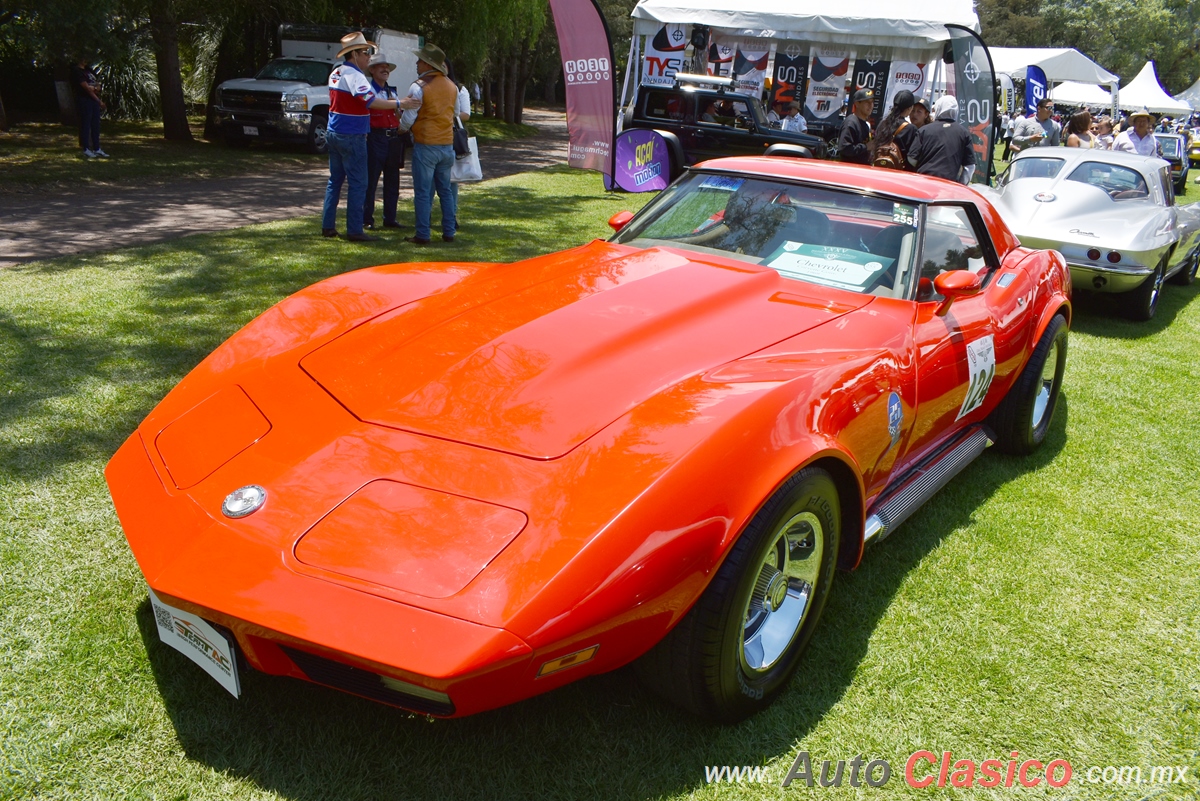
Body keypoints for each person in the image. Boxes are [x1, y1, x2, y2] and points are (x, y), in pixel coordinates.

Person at [321, 32, 413, 241]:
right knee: (359, 183)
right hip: (352, 134)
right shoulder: (355, 76)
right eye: (364, 53)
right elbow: (370, 101)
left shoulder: (336, 72)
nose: (367, 57)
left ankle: (328, 226)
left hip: (334, 131)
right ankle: (354, 230)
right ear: (353, 54)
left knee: (335, 180)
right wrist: (400, 103)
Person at [398, 43, 459, 245]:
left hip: (426, 144)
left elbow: (409, 116)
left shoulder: (419, 86)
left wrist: (401, 129)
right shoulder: (452, 86)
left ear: (427, 64)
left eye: (420, 60)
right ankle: (449, 231)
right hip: (446, 145)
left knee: (423, 193)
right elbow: (456, 113)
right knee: (446, 192)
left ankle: (423, 234)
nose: (417, 63)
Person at [362, 53, 407, 230]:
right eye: (381, 66)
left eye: (387, 67)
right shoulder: (368, 90)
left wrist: (400, 113)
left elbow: (398, 113)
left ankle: (390, 218)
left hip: (393, 138)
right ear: (372, 70)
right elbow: (370, 105)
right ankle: (367, 219)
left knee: (393, 180)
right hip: (375, 137)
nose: (385, 69)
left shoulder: (392, 91)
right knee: (371, 180)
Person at [911, 94, 975, 184]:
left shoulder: (924, 130)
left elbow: (912, 158)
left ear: (938, 108)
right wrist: (961, 184)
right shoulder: (964, 133)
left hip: (924, 181)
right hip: (948, 184)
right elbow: (970, 166)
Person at [71, 58, 108, 159]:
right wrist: (98, 100)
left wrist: (95, 88)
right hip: (84, 100)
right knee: (86, 124)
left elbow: (97, 85)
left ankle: (97, 148)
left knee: (95, 124)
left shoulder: (89, 70)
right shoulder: (77, 71)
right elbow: (86, 88)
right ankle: (86, 148)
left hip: (93, 100)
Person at [872, 90, 918, 169]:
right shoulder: (911, 128)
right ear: (910, 108)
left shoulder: (882, 123)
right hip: (898, 170)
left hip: (879, 166)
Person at [838, 88, 874, 164]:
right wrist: (866, 147)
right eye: (867, 102)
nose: (871, 105)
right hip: (850, 170)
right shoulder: (851, 123)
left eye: (872, 102)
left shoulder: (865, 123)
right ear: (857, 104)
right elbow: (844, 148)